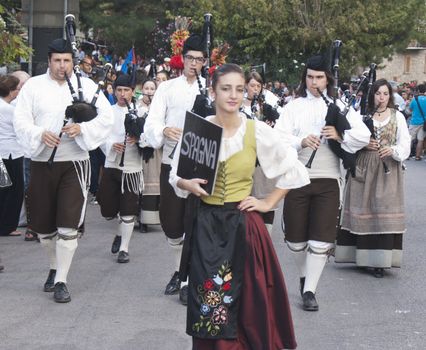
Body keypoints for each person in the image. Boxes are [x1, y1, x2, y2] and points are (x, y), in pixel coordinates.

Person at [169, 63, 308, 349]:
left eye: (239, 89)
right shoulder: (199, 129)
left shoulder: (255, 132)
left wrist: (267, 201)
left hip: (243, 227)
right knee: (211, 301)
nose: (233, 95)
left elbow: (294, 170)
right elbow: (175, 174)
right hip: (206, 225)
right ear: (213, 92)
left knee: (247, 303)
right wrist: (187, 184)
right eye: (226, 88)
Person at [13, 38, 113, 303]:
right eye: (57, 60)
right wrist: (39, 133)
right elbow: (20, 120)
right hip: (41, 162)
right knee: (44, 229)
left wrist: (83, 129)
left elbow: (107, 118)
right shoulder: (33, 87)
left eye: (67, 60)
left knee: (68, 225)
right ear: (49, 61)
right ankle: (54, 265)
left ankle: (61, 281)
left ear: (73, 61)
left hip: (75, 163)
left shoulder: (87, 86)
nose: (62, 66)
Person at [275, 54, 370, 311]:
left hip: (328, 178)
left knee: (321, 238)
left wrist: (339, 135)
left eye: (318, 77)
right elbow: (277, 139)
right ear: (304, 78)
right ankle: (305, 275)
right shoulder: (293, 107)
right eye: (309, 77)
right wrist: (300, 141)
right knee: (295, 241)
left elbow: (363, 135)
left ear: (327, 78)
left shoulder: (339, 105)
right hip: (297, 176)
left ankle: (309, 290)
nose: (313, 82)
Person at [144, 34, 206, 304]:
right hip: (172, 161)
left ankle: (188, 278)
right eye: (190, 58)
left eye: (199, 59)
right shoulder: (167, 88)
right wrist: (164, 129)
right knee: (172, 223)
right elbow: (152, 122)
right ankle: (178, 268)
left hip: (202, 165)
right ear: (183, 60)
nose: (194, 64)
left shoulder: (211, 88)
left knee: (197, 222)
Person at [335, 79, 411, 277]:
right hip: (363, 166)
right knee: (363, 209)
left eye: (385, 94)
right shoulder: (361, 115)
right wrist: (363, 144)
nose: (382, 98)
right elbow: (348, 139)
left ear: (390, 96)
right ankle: (360, 257)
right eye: (378, 94)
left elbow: (405, 145)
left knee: (382, 211)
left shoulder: (398, 117)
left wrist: (392, 150)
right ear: (372, 95)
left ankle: (380, 262)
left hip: (388, 169)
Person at [97, 74, 143, 263]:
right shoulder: (107, 112)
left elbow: (151, 138)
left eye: (126, 90)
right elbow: (99, 136)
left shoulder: (141, 112)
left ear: (133, 91)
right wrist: (111, 145)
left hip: (132, 167)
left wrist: (139, 139)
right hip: (112, 165)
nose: (123, 94)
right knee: (107, 208)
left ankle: (124, 248)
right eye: (119, 90)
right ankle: (120, 232)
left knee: (128, 209)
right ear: (114, 91)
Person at [240, 71, 281, 233]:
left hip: (265, 161)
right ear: (245, 86)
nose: (255, 89)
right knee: (248, 202)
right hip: (246, 158)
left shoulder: (267, 106)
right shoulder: (239, 105)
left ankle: (266, 238)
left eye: (258, 86)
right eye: (252, 85)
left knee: (266, 199)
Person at [0, 74, 24, 236]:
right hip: (11, 153)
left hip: (4, 152)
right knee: (14, 191)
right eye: (17, 89)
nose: (19, 91)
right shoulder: (9, 110)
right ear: (10, 91)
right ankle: (8, 226)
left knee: (4, 189)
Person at [137, 79, 162, 233]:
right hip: (138, 151)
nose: (149, 91)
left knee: (153, 182)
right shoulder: (136, 106)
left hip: (155, 151)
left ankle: (148, 219)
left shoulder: (158, 108)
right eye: (146, 88)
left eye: (152, 88)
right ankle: (135, 217)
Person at [408, 84, 426, 160]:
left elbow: (410, 110)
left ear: (418, 91)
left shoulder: (414, 99)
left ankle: (407, 155)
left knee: (410, 139)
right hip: (423, 123)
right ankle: (417, 156)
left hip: (414, 122)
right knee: (420, 140)